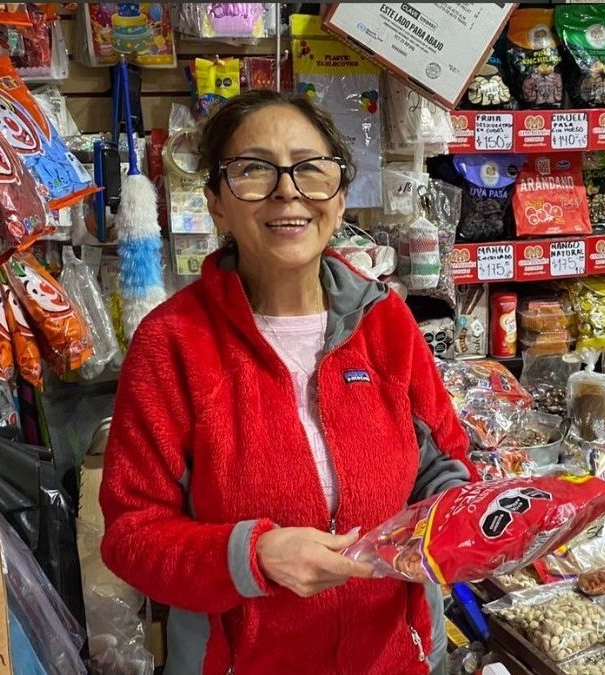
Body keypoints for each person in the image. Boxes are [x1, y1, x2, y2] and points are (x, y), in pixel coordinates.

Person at [99, 90, 472, 675]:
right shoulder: (171, 344)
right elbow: (132, 536)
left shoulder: (386, 323)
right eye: (254, 170)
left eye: (310, 168)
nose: (287, 190)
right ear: (216, 204)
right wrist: (254, 557)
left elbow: (444, 466)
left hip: (400, 658)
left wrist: (463, 522)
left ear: (339, 195)